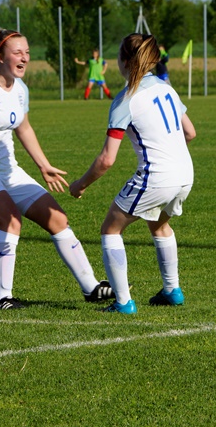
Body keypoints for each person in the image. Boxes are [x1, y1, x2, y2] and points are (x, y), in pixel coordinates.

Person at [0, 29, 115, 309]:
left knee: (57, 218)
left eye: (27, 52)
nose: (24, 58)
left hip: (9, 170)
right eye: (17, 53)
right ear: (0, 56)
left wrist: (44, 165)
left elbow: (24, 128)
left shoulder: (21, 89)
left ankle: (91, 288)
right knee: (12, 221)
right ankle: (2, 298)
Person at [69, 33, 196, 314]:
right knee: (159, 225)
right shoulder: (166, 88)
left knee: (110, 229)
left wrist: (80, 184)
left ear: (124, 61)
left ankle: (124, 302)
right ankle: (172, 290)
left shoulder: (126, 98)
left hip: (158, 176)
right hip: (185, 173)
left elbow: (106, 160)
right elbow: (190, 132)